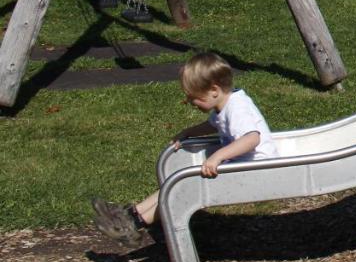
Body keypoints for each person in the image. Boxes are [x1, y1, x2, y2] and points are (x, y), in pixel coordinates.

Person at [92, 51, 278, 244]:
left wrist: (218, 156)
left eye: (193, 97)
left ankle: (134, 225)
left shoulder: (238, 107)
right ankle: (130, 215)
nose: (190, 103)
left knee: (182, 185)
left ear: (214, 90)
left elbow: (251, 139)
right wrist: (188, 132)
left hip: (256, 170)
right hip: (241, 166)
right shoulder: (225, 104)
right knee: (177, 182)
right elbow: (214, 125)